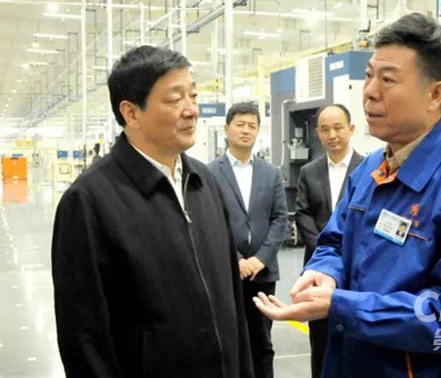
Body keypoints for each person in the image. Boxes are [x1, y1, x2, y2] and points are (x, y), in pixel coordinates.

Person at [253, 12, 441, 377]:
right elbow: (335, 240)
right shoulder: (370, 171)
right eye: (369, 75)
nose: (369, 91)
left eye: (388, 79)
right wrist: (324, 272)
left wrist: (346, 306)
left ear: (435, 94)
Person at [51, 46, 253, 378]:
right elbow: (84, 339)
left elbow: (233, 302)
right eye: (175, 99)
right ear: (131, 113)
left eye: (193, 95)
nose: (191, 110)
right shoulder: (89, 201)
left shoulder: (204, 183)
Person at [208, 102, 287, 378]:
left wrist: (260, 259)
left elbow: (279, 219)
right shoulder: (209, 173)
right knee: (229, 341)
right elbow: (210, 222)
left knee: (262, 343)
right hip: (227, 273)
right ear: (226, 129)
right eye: (240, 124)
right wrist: (237, 260)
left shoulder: (271, 172)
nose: (246, 130)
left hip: (263, 274)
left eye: (252, 126)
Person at [295, 103, 364, 378]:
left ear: (351, 129)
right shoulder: (309, 172)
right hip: (317, 269)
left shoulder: (369, 168)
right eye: (325, 129)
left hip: (358, 269)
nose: (332, 135)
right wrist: (327, 252)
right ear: (318, 133)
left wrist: (347, 254)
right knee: (321, 341)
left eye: (338, 127)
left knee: (357, 341)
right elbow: (303, 214)